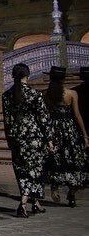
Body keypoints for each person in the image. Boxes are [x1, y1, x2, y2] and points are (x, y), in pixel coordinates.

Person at [2, 63, 53, 217]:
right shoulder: (34, 94)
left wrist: (10, 138)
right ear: (28, 75)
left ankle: (35, 203)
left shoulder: (7, 95)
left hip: (17, 136)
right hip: (33, 136)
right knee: (35, 170)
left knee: (22, 169)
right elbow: (44, 118)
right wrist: (49, 139)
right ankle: (23, 204)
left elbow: (7, 120)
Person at [45, 66, 88, 207]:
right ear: (64, 79)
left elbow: (45, 115)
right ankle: (72, 193)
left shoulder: (46, 94)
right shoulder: (71, 94)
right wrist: (85, 135)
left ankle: (55, 187)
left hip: (53, 129)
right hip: (69, 130)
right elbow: (77, 115)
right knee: (73, 159)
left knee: (56, 159)